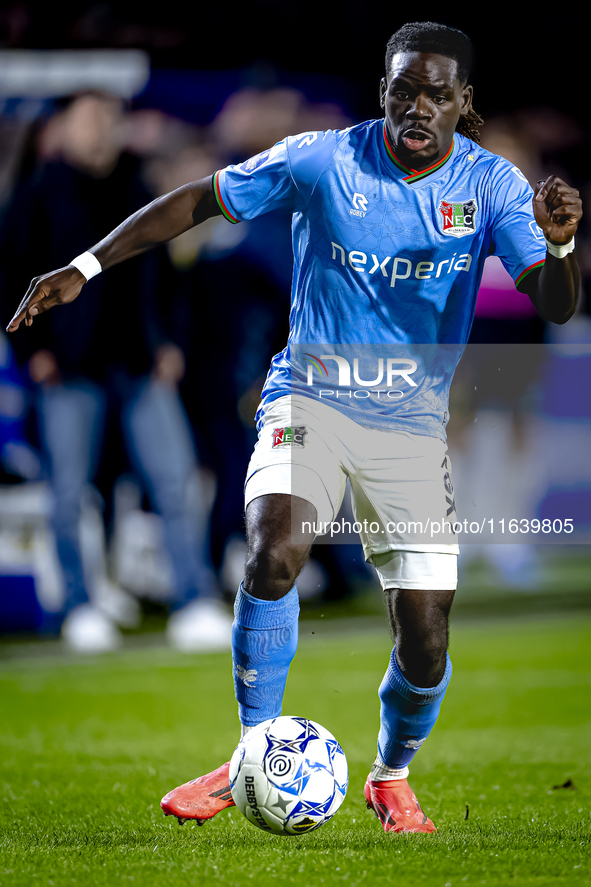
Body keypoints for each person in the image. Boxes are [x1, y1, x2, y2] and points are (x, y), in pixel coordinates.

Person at [7, 23, 582, 832]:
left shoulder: (489, 186)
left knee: (425, 638)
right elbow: (197, 199)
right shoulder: (324, 158)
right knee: (275, 547)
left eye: (434, 93)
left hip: (410, 430)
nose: (416, 107)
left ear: (463, 102)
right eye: (401, 89)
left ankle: (391, 773)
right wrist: (86, 265)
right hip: (309, 399)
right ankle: (250, 752)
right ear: (382, 89)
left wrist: (557, 247)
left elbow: (553, 301)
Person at [3, 92, 231, 653]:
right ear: (63, 128)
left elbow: (170, 276)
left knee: (176, 482)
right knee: (67, 494)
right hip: (70, 370)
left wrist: (169, 342)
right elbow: (10, 277)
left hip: (140, 362)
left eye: (108, 118)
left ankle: (194, 600)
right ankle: (81, 608)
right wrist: (34, 352)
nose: (100, 130)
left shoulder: (138, 188)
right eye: (88, 118)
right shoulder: (37, 195)